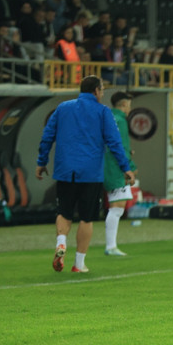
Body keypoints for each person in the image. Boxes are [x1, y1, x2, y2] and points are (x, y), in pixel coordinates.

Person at [36, 76, 134, 273]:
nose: (103, 93)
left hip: (65, 171)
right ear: (96, 91)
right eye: (102, 89)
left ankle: (61, 242)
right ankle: (79, 264)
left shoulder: (62, 108)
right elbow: (114, 142)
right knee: (86, 218)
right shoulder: (103, 112)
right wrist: (126, 167)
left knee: (64, 212)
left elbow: (47, 136)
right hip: (91, 174)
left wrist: (42, 162)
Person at [103, 92, 137, 257]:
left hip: (101, 165)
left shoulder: (105, 118)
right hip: (115, 167)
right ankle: (111, 246)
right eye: (129, 105)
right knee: (117, 207)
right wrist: (130, 166)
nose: (130, 109)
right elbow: (120, 146)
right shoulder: (121, 121)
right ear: (124, 105)